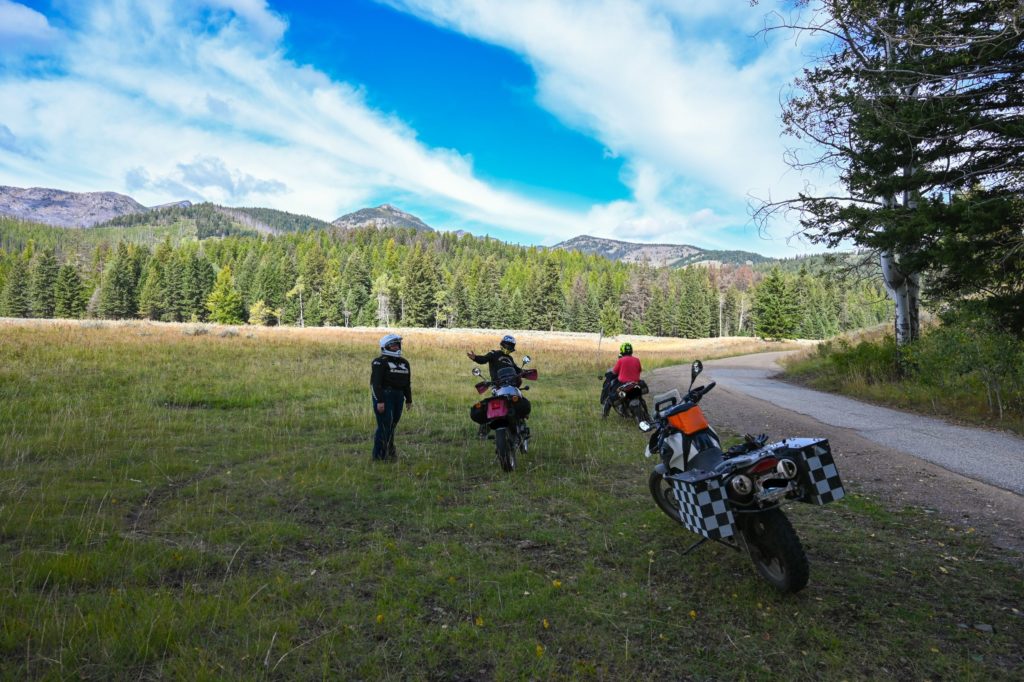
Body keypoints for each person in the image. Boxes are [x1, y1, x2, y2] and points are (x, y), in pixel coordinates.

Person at [370, 333, 412, 461]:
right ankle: (379, 457)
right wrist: (380, 401)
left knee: (392, 425)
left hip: (399, 396)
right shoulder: (379, 362)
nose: (396, 347)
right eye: (393, 345)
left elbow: (407, 383)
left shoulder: (404, 363)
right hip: (384, 395)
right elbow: (375, 384)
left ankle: (390, 452)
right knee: (384, 425)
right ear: (385, 347)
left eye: (397, 345)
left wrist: (408, 399)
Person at [603, 342, 642, 417]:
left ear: (622, 351)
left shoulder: (621, 360)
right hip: (636, 383)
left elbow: (614, 372)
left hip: (623, 384)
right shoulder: (637, 360)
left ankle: (604, 416)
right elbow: (639, 370)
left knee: (610, 398)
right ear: (631, 350)